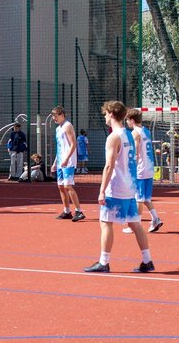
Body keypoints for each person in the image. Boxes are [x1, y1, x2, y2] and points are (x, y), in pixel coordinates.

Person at [84, 100, 155, 273]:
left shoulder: (113, 137)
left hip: (116, 187)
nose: (105, 117)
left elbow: (109, 165)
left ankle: (104, 262)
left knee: (105, 222)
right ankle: (147, 260)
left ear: (112, 114)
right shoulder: (131, 134)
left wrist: (101, 190)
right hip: (130, 186)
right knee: (135, 223)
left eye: (106, 114)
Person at [123, 109, 163, 234]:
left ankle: (136, 225)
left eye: (128, 120)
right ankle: (156, 218)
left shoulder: (135, 133)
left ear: (132, 120)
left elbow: (136, 153)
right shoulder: (146, 131)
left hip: (141, 169)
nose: (127, 123)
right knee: (146, 198)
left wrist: (130, 168)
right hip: (149, 168)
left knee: (138, 199)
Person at [50, 106, 85, 221]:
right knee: (60, 186)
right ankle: (66, 211)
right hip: (60, 161)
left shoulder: (68, 126)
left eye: (56, 116)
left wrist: (66, 159)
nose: (54, 118)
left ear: (62, 115)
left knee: (68, 186)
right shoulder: (58, 129)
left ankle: (79, 211)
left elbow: (73, 144)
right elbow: (60, 147)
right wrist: (56, 162)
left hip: (68, 162)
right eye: (53, 116)